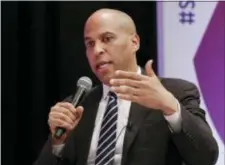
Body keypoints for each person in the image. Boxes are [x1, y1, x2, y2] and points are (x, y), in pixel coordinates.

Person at [33, 8, 219, 165]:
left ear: (134, 42)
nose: (97, 50)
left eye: (106, 39)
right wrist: (58, 143)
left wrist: (170, 107)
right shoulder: (77, 107)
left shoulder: (175, 93)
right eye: (90, 43)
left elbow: (206, 157)